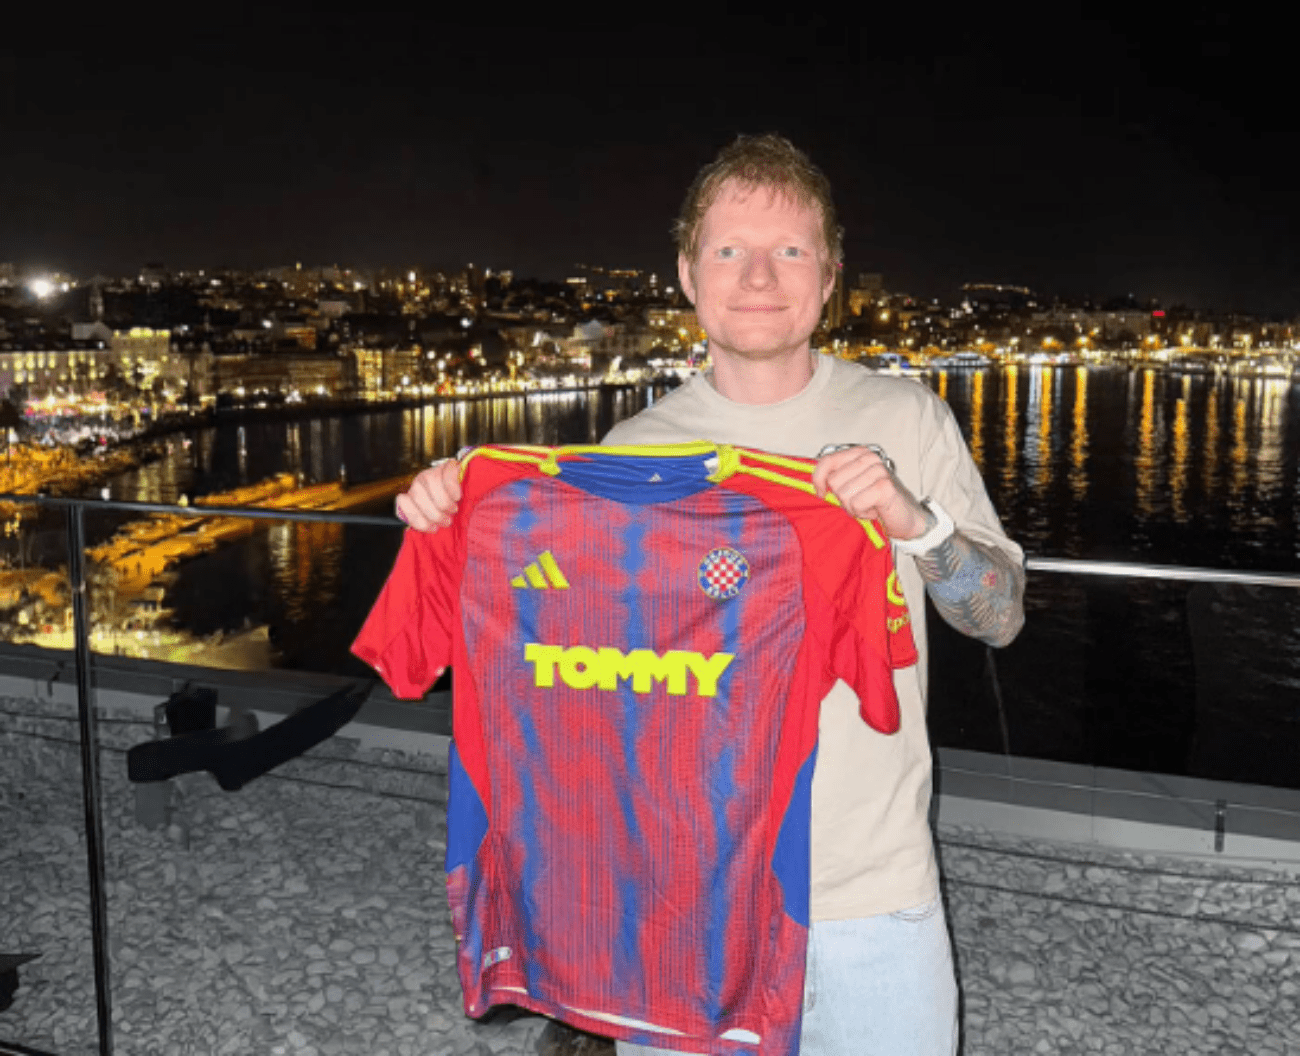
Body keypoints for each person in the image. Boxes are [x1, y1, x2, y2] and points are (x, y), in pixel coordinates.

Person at [396, 134, 1025, 1056]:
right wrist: (464, 517)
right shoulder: (631, 453)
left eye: (790, 250)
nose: (759, 276)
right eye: (729, 250)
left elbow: (1000, 617)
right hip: (681, 901)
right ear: (688, 277)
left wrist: (913, 521)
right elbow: (569, 674)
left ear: (830, 277)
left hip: (870, 896)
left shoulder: (907, 418)